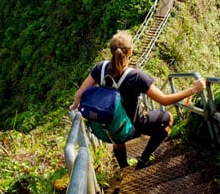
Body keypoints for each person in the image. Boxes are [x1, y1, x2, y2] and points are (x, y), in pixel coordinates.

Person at [69, 30, 206, 169]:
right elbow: (164, 100)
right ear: (130, 51)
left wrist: (74, 104)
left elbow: (79, 94)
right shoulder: (136, 77)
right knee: (168, 118)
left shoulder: (100, 68)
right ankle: (144, 158)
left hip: (109, 128)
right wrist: (192, 90)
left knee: (116, 124)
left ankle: (124, 168)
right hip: (134, 126)